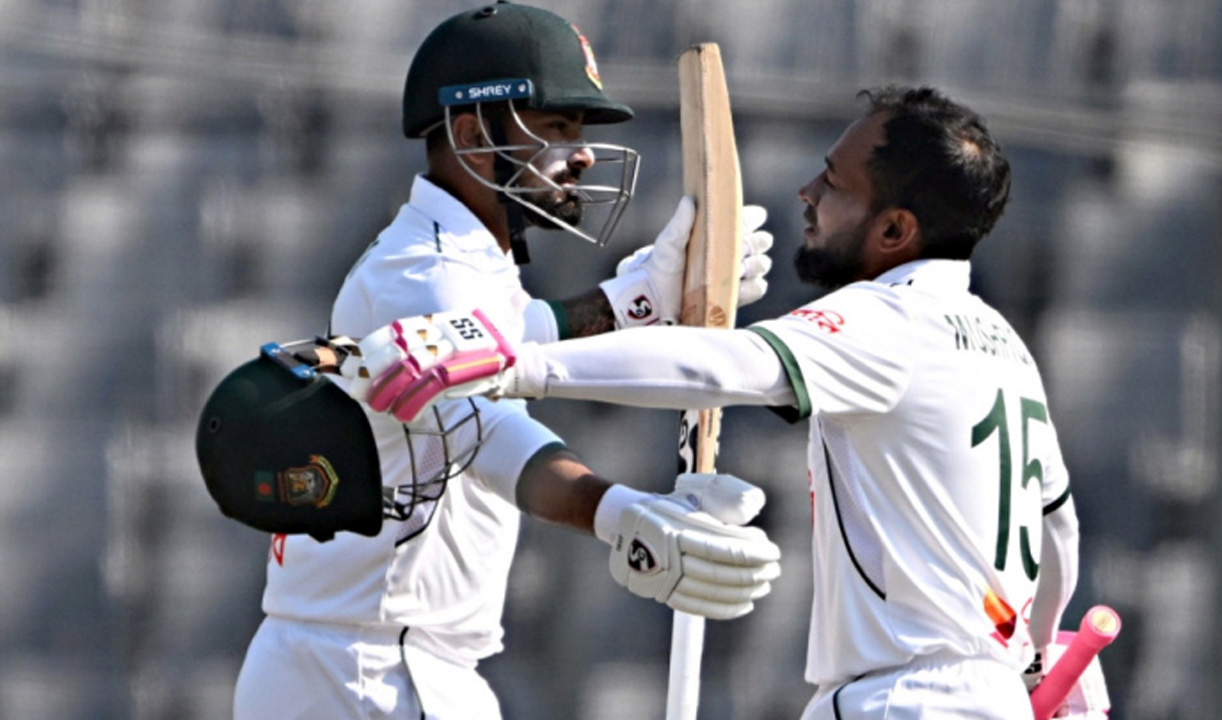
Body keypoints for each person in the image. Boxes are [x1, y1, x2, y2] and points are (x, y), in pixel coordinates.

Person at [347, 86, 1084, 719]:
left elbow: (729, 365)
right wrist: (1038, 658)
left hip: (901, 700)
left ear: (895, 229)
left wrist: (517, 364)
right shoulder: (1006, 348)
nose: (808, 193)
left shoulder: (887, 320)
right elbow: (1058, 532)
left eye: (834, 183)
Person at [230, 4, 780, 720]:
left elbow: (513, 340)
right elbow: (485, 433)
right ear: (470, 135)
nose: (582, 153)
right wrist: (623, 514)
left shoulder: (463, 260)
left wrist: (634, 302)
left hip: (368, 657)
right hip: (370, 668)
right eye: (556, 127)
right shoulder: (423, 271)